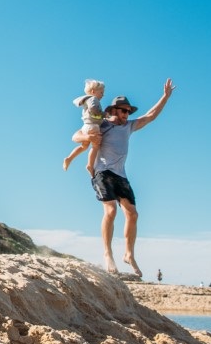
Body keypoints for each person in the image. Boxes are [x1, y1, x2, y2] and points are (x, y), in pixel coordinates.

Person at [90, 79, 175, 279]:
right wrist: (88, 139)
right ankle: (107, 253)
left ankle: (128, 254)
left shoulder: (129, 126)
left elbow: (150, 116)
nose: (127, 114)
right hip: (102, 172)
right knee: (110, 211)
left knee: (133, 214)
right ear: (113, 110)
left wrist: (165, 97)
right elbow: (77, 136)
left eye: (128, 111)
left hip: (121, 175)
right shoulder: (101, 125)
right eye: (124, 111)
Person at [62, 79, 105, 173]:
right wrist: (103, 114)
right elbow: (93, 109)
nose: (103, 95)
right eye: (101, 92)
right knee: (95, 146)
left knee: (84, 146)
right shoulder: (93, 99)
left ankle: (69, 158)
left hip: (86, 126)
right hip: (93, 126)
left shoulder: (87, 100)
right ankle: (90, 165)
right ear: (93, 92)